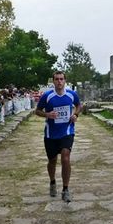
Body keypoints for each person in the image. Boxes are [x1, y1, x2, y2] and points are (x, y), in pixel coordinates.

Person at [35, 71, 81, 203]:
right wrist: (47, 115)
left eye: (61, 79)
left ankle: (65, 189)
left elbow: (79, 105)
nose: (59, 81)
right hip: (51, 135)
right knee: (52, 161)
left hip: (67, 132)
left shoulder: (71, 95)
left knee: (65, 158)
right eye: (57, 79)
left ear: (65, 81)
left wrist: (76, 115)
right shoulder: (47, 96)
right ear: (53, 81)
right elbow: (37, 111)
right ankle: (52, 182)